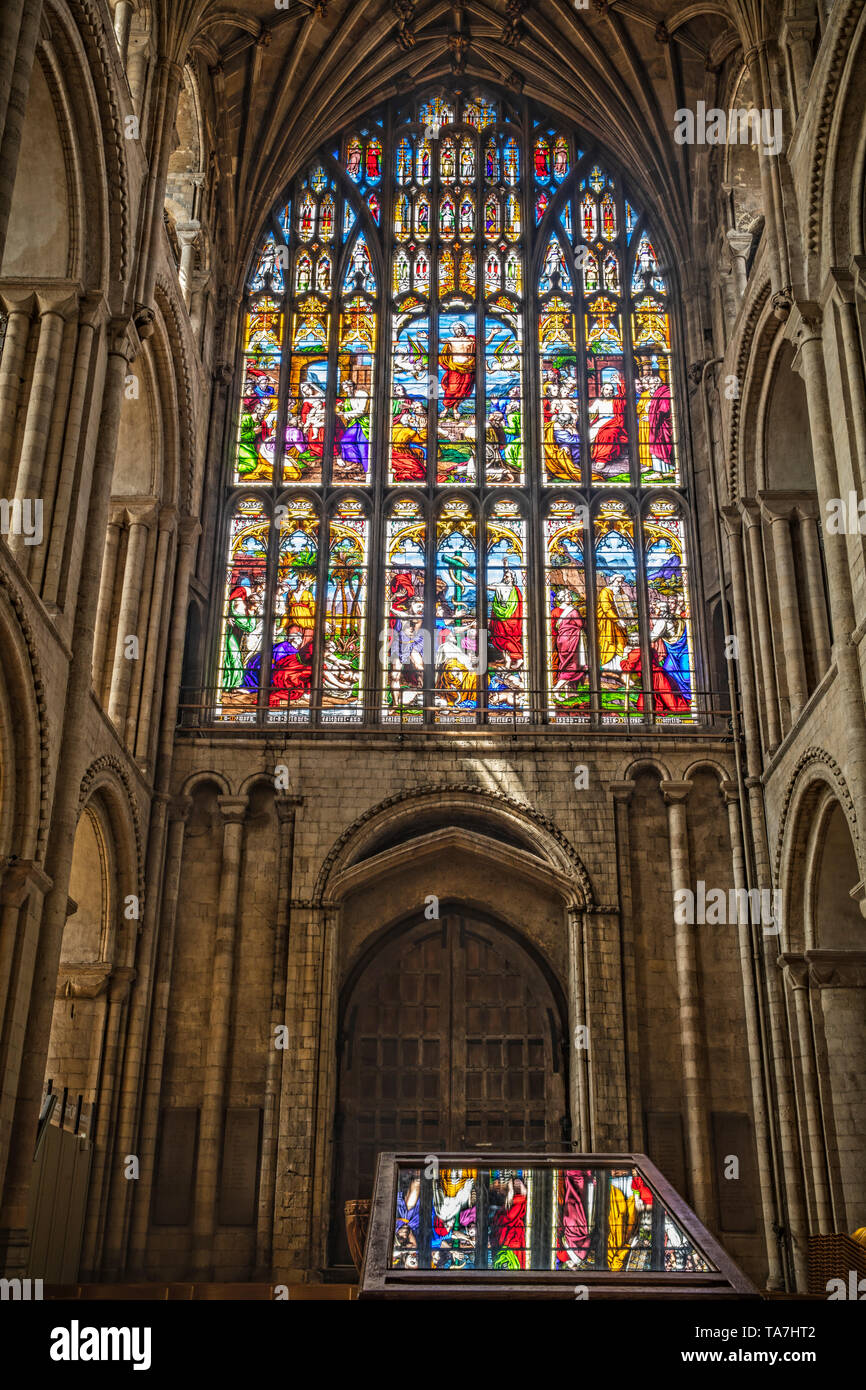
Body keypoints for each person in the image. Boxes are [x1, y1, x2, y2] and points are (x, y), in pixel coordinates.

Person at [550, 587, 586, 691]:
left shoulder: (555, 611)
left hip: (561, 640)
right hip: (571, 640)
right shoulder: (573, 611)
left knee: (564, 664)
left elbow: (552, 627)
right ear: (563, 598)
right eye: (568, 596)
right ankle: (556, 690)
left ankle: (565, 693)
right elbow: (580, 624)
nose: (570, 597)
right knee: (572, 666)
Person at [489, 564, 523, 668]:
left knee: (507, 640)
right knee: (499, 638)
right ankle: (507, 659)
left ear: (513, 578)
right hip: (501, 618)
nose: (504, 578)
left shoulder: (513, 589)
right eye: (504, 576)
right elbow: (490, 587)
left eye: (507, 576)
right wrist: (473, 582)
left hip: (510, 620)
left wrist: (506, 566)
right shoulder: (501, 586)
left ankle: (518, 658)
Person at [438, 322, 475, 413]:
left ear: (464, 329)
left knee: (464, 390)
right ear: (454, 331)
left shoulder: (472, 339)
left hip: (468, 369)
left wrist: (493, 334)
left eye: (459, 328)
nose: (458, 330)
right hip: (455, 368)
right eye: (456, 329)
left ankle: (455, 408)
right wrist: (427, 337)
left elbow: (484, 343)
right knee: (451, 389)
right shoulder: (451, 339)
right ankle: (446, 408)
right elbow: (440, 340)